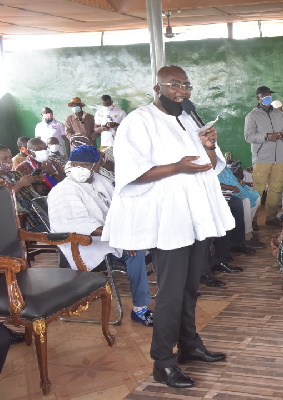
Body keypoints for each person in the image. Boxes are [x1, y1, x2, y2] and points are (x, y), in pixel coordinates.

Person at [102, 66, 233, 388]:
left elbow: (210, 167)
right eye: (175, 85)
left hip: (196, 216)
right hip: (169, 220)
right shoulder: (139, 121)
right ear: (157, 87)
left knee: (190, 287)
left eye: (186, 85)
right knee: (172, 293)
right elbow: (131, 173)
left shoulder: (189, 118)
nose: (182, 91)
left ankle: (189, 345)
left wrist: (211, 146)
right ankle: (163, 362)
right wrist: (177, 167)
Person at [48, 145, 154, 326]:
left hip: (112, 233)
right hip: (87, 243)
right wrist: (120, 236)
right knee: (134, 251)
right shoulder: (63, 191)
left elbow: (119, 204)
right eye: (75, 164)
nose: (79, 169)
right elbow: (80, 224)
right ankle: (140, 308)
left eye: (85, 165)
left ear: (95, 165)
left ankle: (171, 290)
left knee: (157, 235)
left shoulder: (99, 179)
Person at [244, 86, 283, 227]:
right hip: (262, 158)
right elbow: (248, 136)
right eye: (265, 95)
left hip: (279, 157)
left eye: (269, 95)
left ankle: (271, 218)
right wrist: (266, 136)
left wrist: (281, 134)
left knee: (276, 188)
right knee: (258, 189)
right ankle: (252, 220)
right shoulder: (252, 116)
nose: (268, 97)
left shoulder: (278, 113)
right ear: (258, 98)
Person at [0, 144, 46, 232]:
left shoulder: (17, 174)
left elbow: (37, 195)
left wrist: (39, 182)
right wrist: (19, 185)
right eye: (5, 158)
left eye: (10, 157)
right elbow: (4, 200)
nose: (9, 161)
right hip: (27, 222)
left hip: (42, 214)